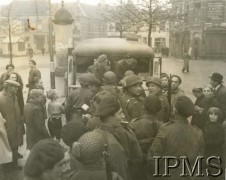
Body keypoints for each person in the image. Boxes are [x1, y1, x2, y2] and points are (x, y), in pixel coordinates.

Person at [148, 96, 204, 179]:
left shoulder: (165, 129)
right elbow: (200, 158)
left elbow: (153, 157)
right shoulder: (198, 132)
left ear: (175, 110)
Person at [95, 94, 143, 180]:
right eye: (120, 113)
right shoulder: (112, 143)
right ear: (109, 117)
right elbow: (120, 172)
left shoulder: (98, 131)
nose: (123, 116)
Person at [130, 95, 163, 180]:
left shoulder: (134, 123)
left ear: (144, 107)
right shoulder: (163, 126)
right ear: (159, 108)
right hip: (156, 166)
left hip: (138, 166)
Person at [0, 80, 24, 176]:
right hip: (7, 127)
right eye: (14, 87)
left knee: (15, 146)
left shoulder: (15, 96)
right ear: (8, 87)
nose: (16, 89)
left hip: (16, 126)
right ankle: (7, 167)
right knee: (7, 146)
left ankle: (14, 164)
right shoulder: (1, 97)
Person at [203, 107, 225, 180]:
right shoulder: (206, 124)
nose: (212, 116)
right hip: (207, 151)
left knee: (214, 172)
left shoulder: (220, 127)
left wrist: (207, 141)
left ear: (218, 116)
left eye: (215, 114)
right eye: (210, 114)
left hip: (216, 152)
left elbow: (220, 140)